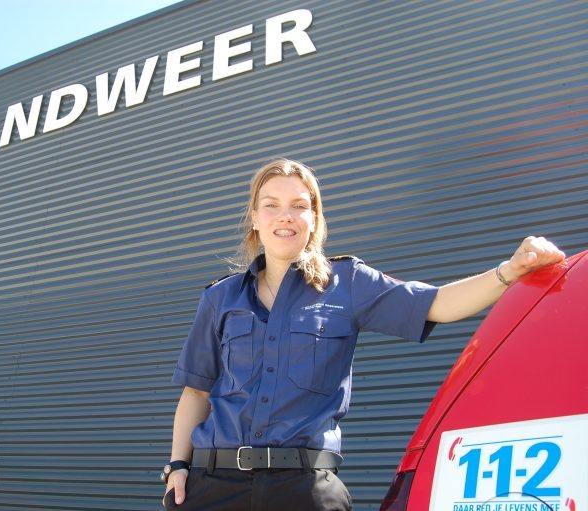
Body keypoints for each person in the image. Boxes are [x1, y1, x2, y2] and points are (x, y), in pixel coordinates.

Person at [161, 158, 565, 510]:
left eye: (299, 206)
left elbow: (436, 303)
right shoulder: (220, 297)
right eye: (272, 205)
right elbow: (196, 392)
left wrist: (508, 272)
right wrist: (178, 467)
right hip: (214, 486)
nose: (285, 215)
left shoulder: (348, 282)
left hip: (304, 490)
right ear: (255, 217)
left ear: (314, 218)